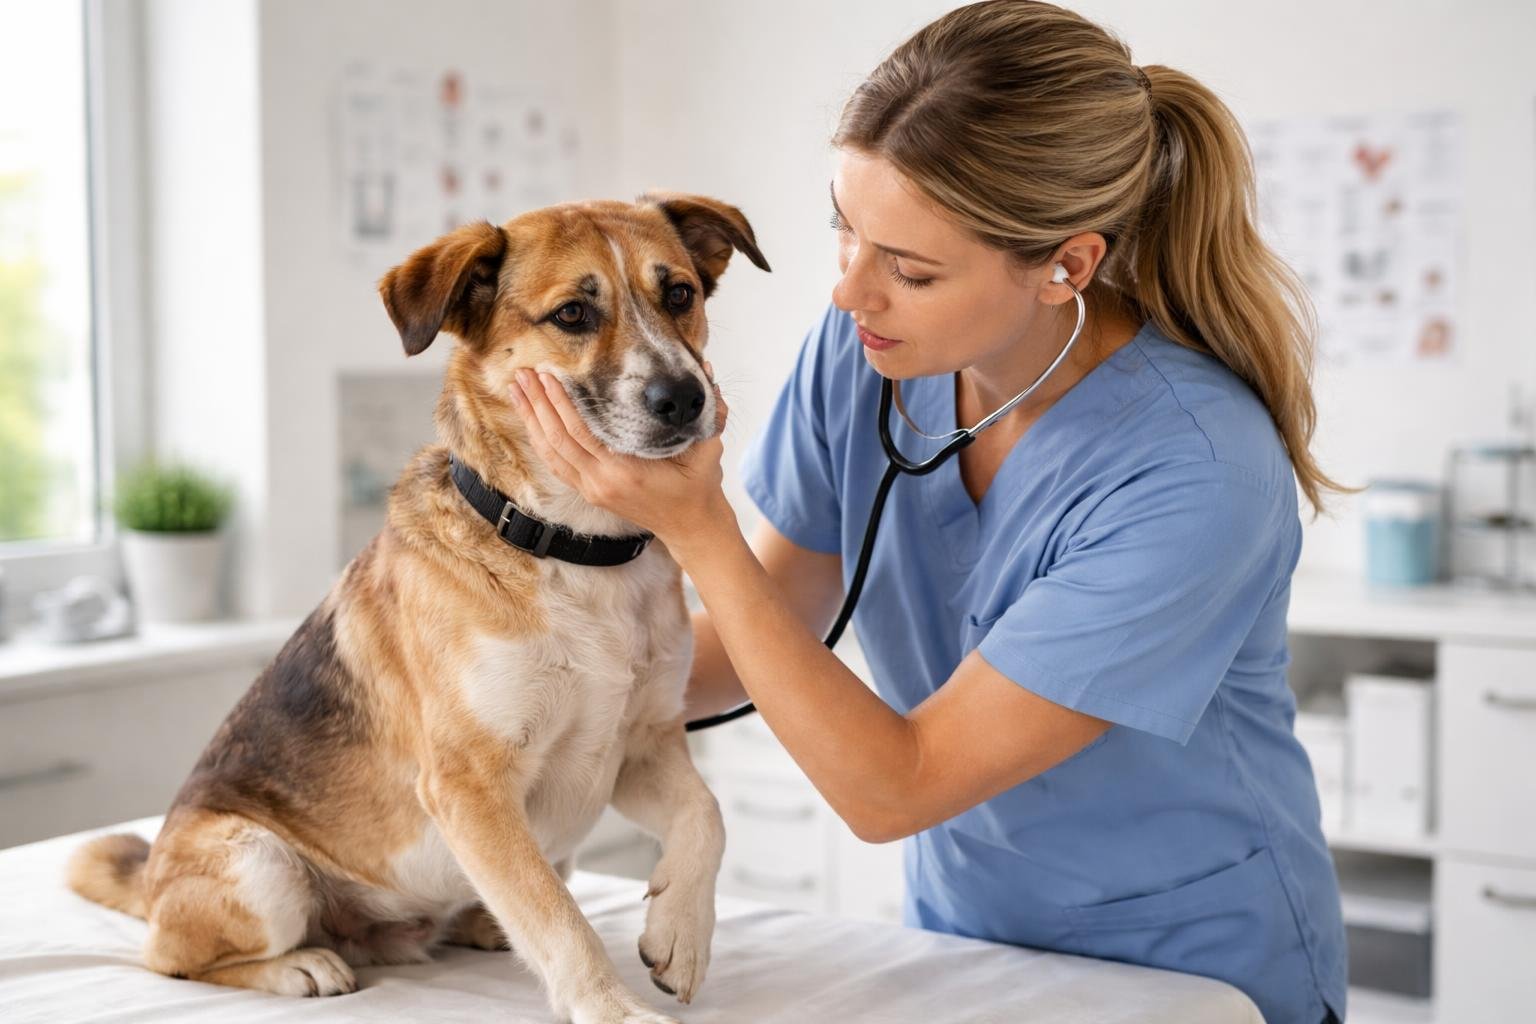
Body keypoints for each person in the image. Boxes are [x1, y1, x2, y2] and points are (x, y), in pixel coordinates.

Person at [510, 2, 1350, 1020]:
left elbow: (894, 787)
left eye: (909, 268)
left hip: (1188, 963)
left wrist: (696, 525)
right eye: (845, 232)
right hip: (967, 933)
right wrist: (500, 697)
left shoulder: (1195, 467)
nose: (852, 291)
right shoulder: (868, 354)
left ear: (1065, 266)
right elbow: (764, 631)